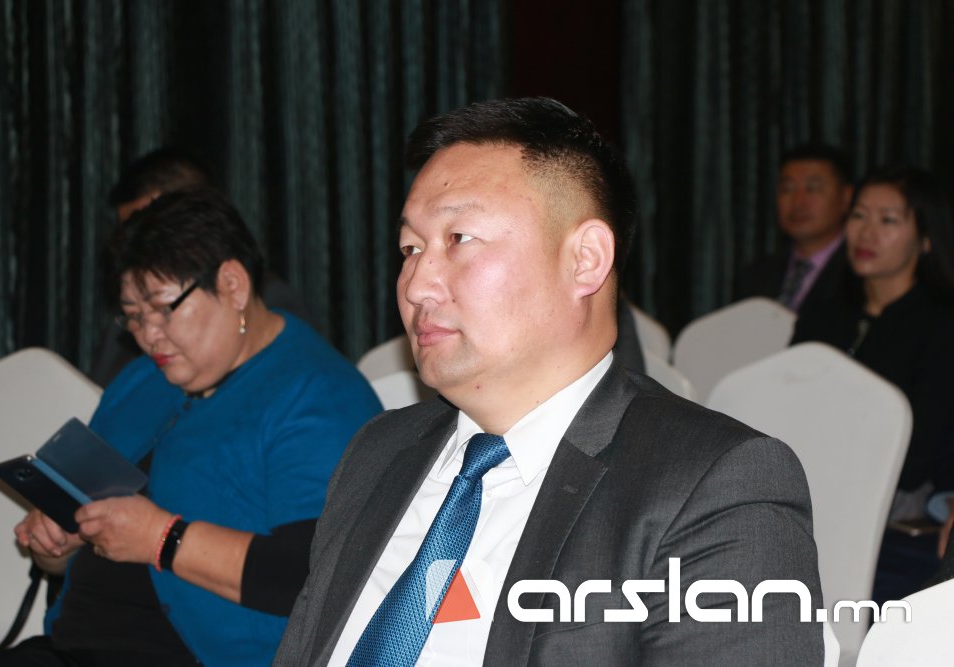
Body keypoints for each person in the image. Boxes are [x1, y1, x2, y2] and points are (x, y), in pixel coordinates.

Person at [274, 98, 823, 666]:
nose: (416, 284)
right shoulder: (378, 453)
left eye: (459, 238)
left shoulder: (714, 486)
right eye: (410, 249)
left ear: (585, 259)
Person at [0, 189, 382, 666]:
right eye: (134, 317)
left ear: (233, 285)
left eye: (163, 309)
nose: (149, 336)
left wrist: (163, 538)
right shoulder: (142, 379)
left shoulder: (319, 395)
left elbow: (314, 575)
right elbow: (80, 544)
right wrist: (59, 543)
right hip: (72, 646)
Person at [792, 165, 954, 602]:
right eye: (859, 216)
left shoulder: (940, 325)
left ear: (925, 238)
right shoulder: (823, 315)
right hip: (808, 489)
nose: (867, 233)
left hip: (894, 502)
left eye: (888, 220)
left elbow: (921, 449)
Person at [91, 147, 311, 386]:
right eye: (135, 316)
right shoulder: (132, 313)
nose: (149, 335)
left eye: (150, 221)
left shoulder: (269, 304)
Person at [736, 143, 853, 315]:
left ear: (846, 198)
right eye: (787, 189)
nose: (798, 202)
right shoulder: (757, 275)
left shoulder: (860, 274)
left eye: (812, 189)